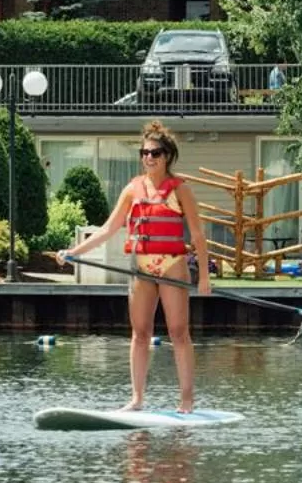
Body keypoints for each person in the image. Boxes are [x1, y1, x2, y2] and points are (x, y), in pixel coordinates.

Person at [72, 120, 213, 414]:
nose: (149, 157)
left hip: (172, 266)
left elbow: (198, 236)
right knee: (140, 333)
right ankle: (137, 399)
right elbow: (109, 229)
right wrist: (74, 252)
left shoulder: (180, 189)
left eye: (156, 153)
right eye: (145, 152)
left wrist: (204, 278)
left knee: (178, 332)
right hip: (141, 268)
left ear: (167, 156)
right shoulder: (132, 189)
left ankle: (186, 400)